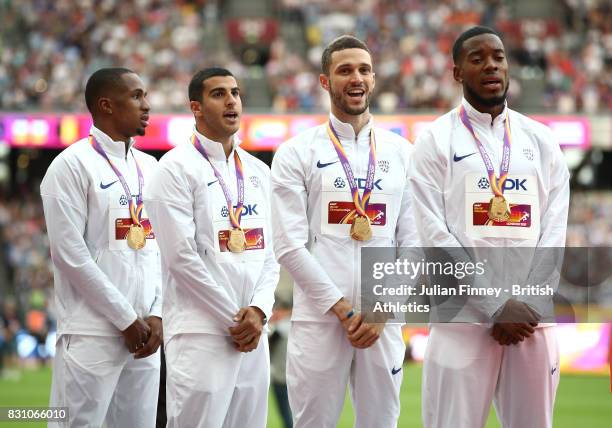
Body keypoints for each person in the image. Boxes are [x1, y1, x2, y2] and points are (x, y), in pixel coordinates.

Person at [408, 26, 569, 428]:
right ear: (457, 72)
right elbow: (434, 235)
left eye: (497, 56)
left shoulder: (542, 140)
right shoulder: (435, 140)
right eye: (477, 58)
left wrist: (527, 303)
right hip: (461, 319)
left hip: (533, 320)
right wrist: (496, 304)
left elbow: (554, 230)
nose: (491, 65)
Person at [271, 35, 419, 428]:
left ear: (373, 80)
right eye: (345, 70)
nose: (356, 78)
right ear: (325, 82)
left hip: (382, 320)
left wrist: (382, 309)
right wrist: (340, 307)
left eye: (364, 70)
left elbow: (414, 244)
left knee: (381, 423)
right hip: (320, 318)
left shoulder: (402, 152)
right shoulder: (297, 151)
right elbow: (288, 245)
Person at [144, 67, 279, 428]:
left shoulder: (257, 171)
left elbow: (270, 252)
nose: (231, 100)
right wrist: (235, 319)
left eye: (235, 93)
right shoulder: (173, 169)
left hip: (252, 332)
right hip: (200, 330)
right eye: (218, 94)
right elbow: (180, 259)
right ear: (196, 107)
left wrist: (259, 310)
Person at [40, 67, 162, 427]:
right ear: (106, 105)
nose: (147, 105)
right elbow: (70, 255)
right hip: (93, 331)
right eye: (137, 96)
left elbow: (162, 250)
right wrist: (126, 319)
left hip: (145, 336)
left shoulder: (150, 167)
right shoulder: (70, 166)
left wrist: (158, 313)